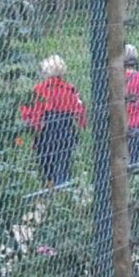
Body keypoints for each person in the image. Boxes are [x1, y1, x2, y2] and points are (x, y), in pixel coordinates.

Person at [22, 55, 84, 186]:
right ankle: (63, 189)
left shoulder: (39, 90)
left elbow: (31, 112)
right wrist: (81, 124)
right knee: (63, 163)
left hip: (46, 132)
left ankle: (49, 187)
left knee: (46, 164)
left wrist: (34, 128)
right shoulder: (70, 90)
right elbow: (80, 110)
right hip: (66, 131)